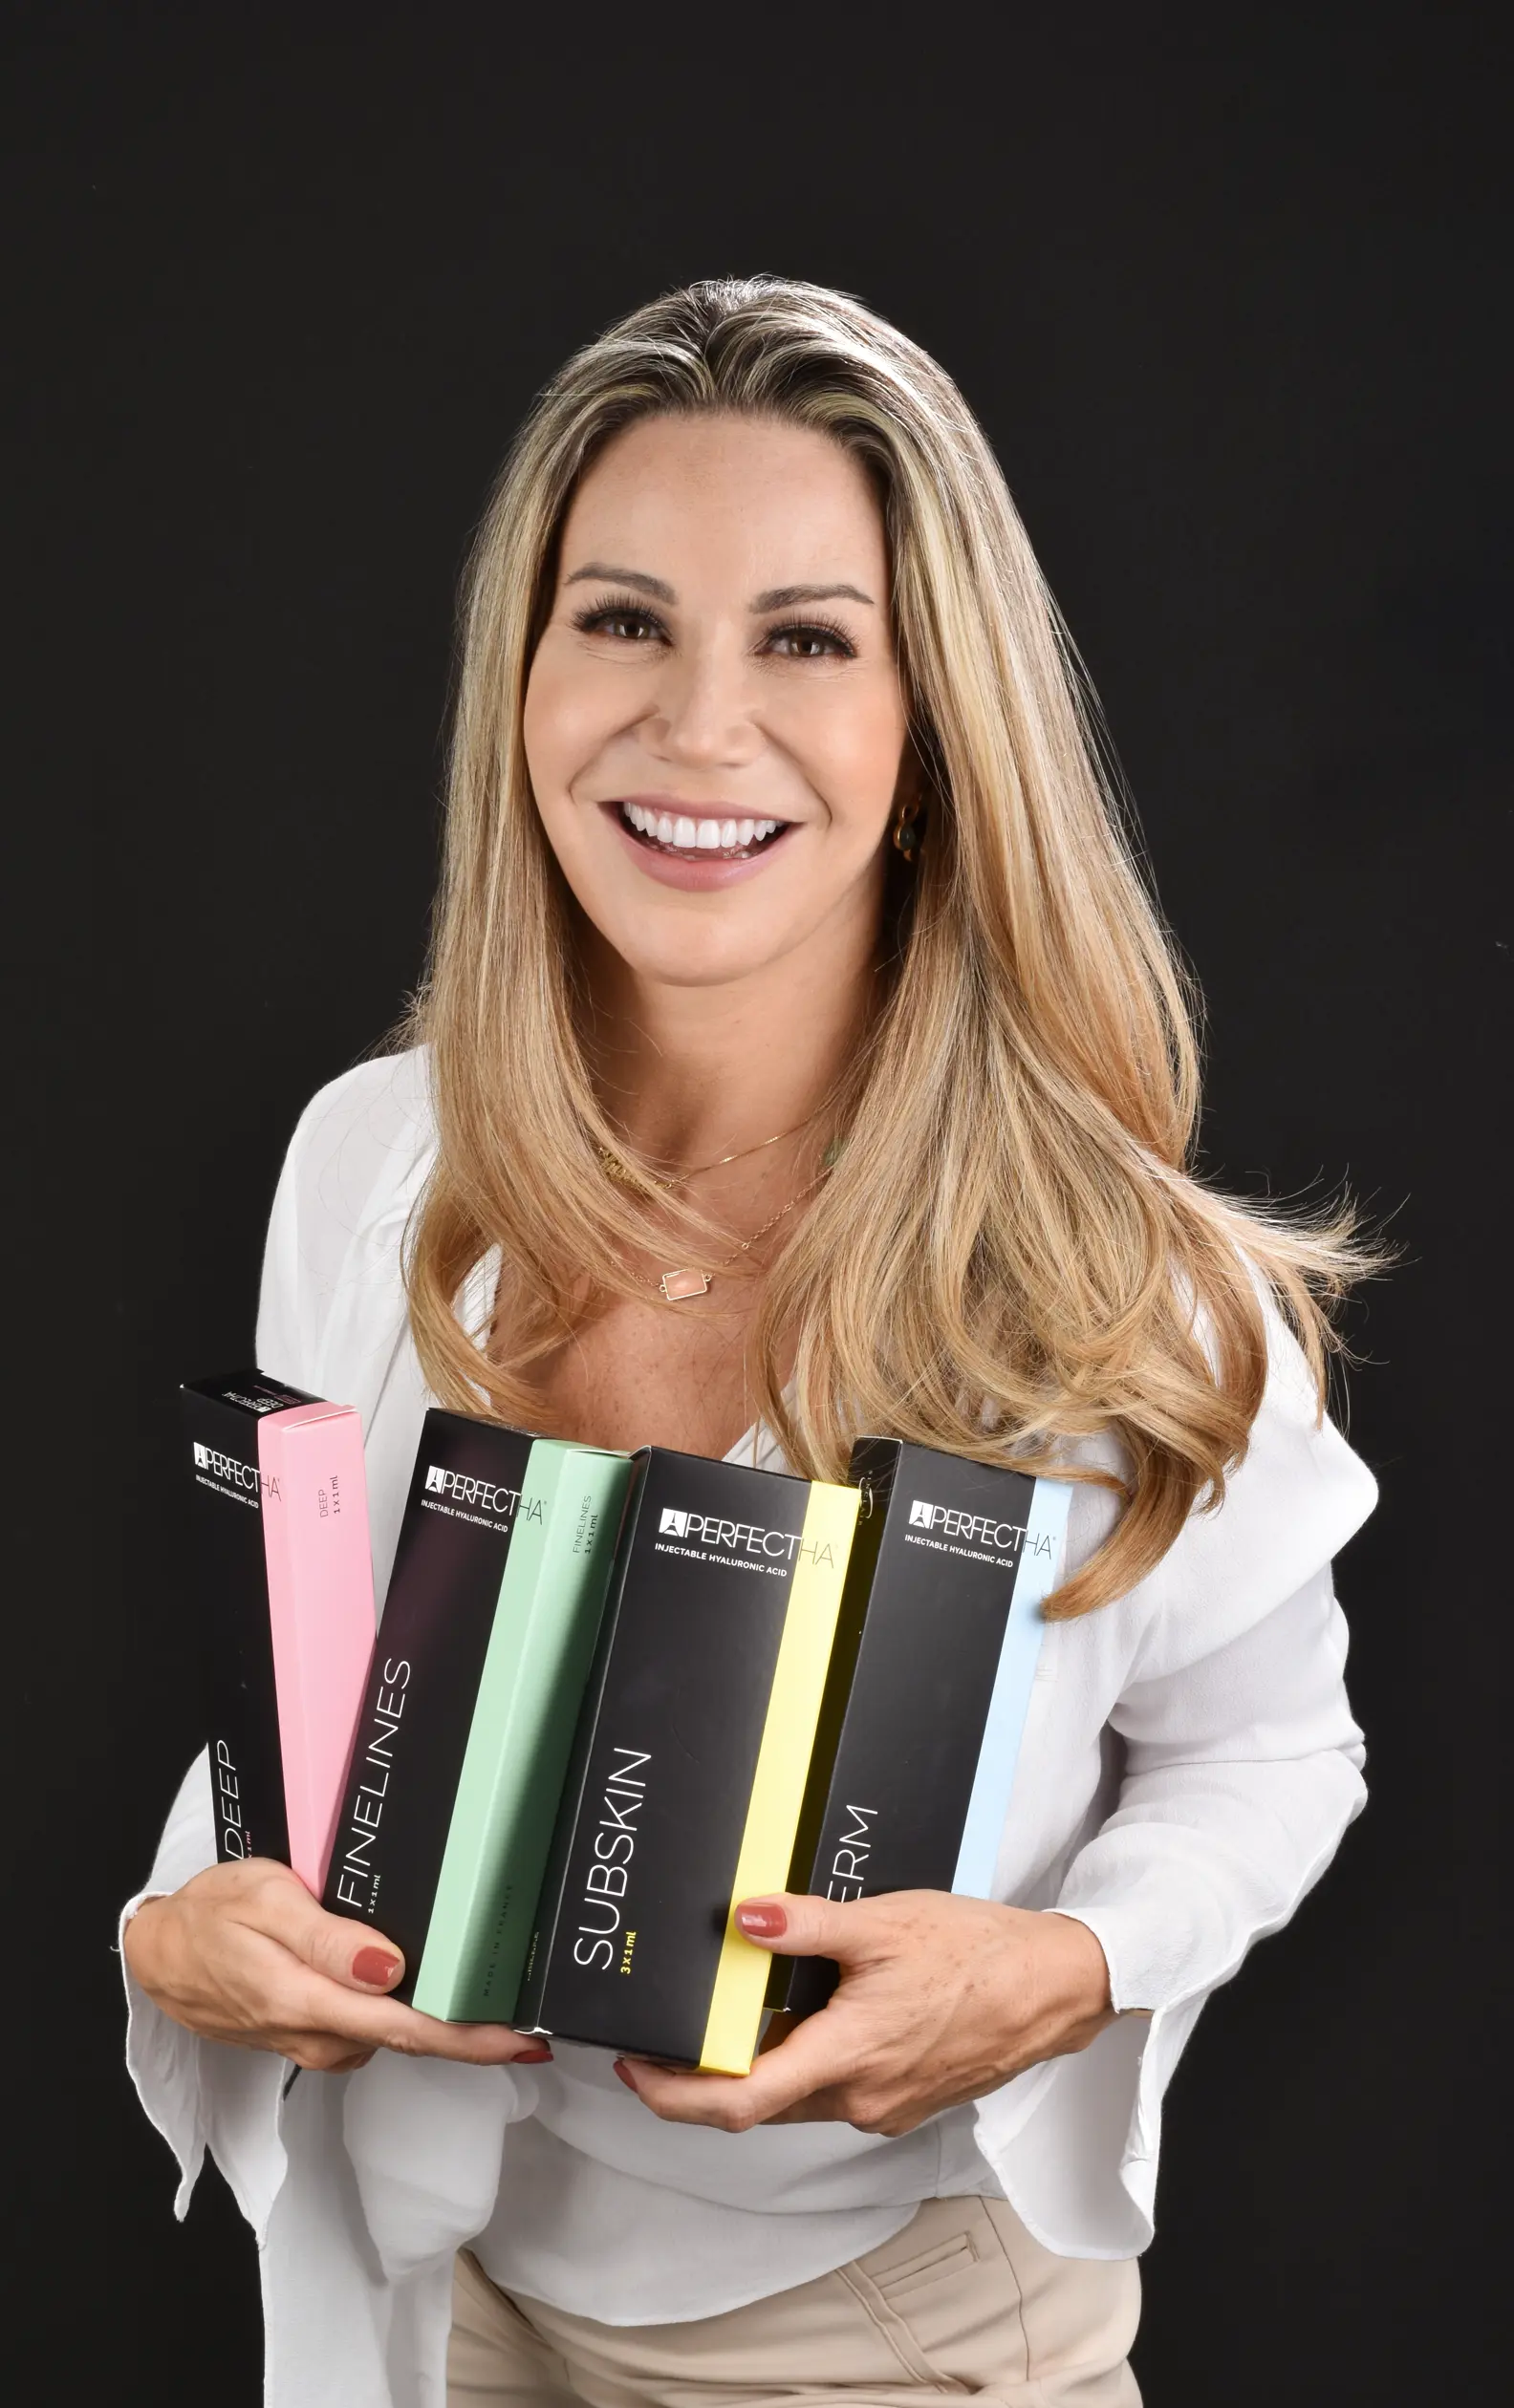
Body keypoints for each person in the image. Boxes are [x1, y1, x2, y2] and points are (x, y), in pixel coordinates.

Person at [120, 278, 1377, 2406]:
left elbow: (1272, 1752)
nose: (698, 728)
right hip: (419, 2288)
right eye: (624, 620)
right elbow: (324, 1698)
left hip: (879, 2336)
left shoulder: (1116, 1278)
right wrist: (178, 1921)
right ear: (522, 682)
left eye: (806, 640)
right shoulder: (371, 1161)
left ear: (930, 731)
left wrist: (1068, 1967)